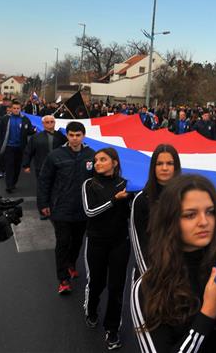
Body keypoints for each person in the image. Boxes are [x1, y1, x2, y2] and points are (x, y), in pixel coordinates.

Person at [131, 175, 216, 353]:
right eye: (190, 215)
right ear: (170, 221)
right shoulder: (147, 287)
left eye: (210, 211)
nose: (204, 222)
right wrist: (208, 312)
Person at [37, 121, 96, 295]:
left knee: (77, 240)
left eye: (78, 135)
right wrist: (43, 204)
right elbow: (44, 180)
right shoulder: (56, 155)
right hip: (60, 207)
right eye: (71, 135)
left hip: (82, 209)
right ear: (67, 136)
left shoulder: (91, 155)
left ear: (83, 136)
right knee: (63, 241)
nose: (75, 138)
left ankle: (71, 263)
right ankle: (63, 279)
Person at [82, 148, 131, 350]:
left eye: (103, 159)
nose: (98, 163)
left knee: (117, 288)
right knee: (97, 282)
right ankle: (91, 308)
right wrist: (114, 200)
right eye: (96, 160)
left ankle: (112, 330)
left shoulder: (127, 184)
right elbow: (90, 212)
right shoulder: (89, 184)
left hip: (120, 242)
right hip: (96, 242)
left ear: (115, 163)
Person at [131, 144, 182, 278]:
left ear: (176, 166)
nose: (164, 168)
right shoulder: (141, 200)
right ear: (153, 167)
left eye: (169, 163)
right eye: (159, 163)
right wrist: (148, 276)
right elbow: (138, 243)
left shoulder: (186, 199)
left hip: (179, 274)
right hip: (149, 273)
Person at [0, 100, 36, 193]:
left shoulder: (25, 119)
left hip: (20, 147)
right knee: (9, 166)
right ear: (11, 109)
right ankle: (9, 185)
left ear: (20, 109)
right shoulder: (5, 119)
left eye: (18, 108)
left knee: (17, 167)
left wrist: (34, 130)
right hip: (9, 146)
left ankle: (13, 183)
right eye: (14, 108)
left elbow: (29, 131)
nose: (16, 110)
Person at [22, 115, 67, 181]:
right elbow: (29, 151)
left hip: (58, 166)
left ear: (55, 123)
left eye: (52, 122)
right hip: (41, 166)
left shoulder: (61, 136)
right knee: (42, 187)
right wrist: (26, 165)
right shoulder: (35, 137)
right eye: (47, 122)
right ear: (43, 124)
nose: (50, 124)